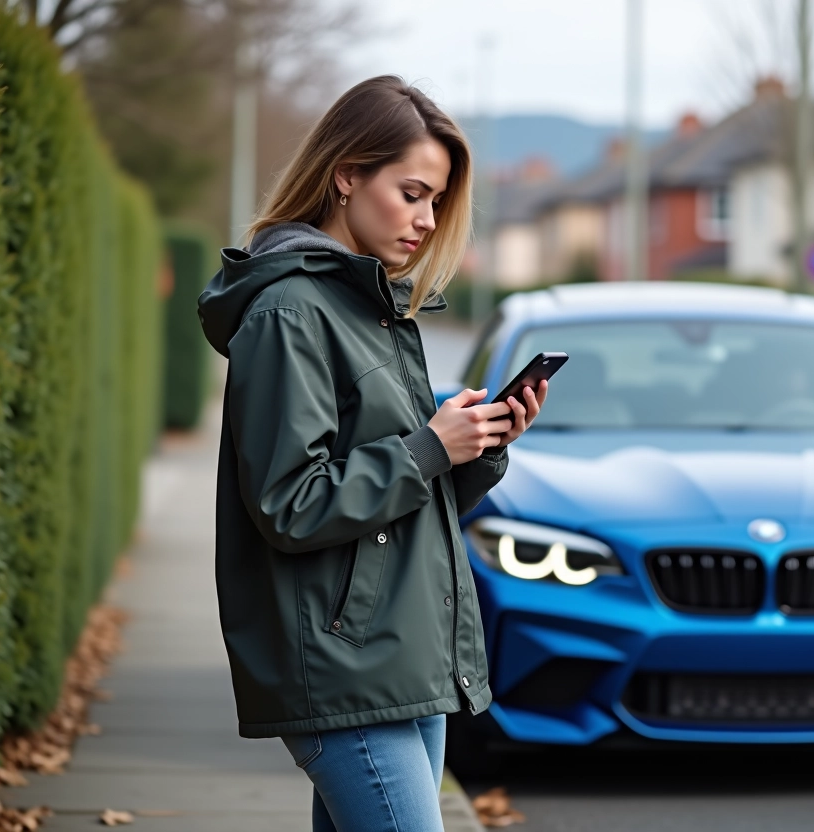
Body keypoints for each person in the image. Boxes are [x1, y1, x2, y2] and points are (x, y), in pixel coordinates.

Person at [197, 75, 547, 832]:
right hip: (343, 665)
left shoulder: (372, 309)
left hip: (402, 661)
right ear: (347, 174)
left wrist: (478, 449)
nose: (426, 220)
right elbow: (292, 504)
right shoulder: (291, 311)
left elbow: (403, 510)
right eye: (412, 192)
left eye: (436, 202)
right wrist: (427, 447)